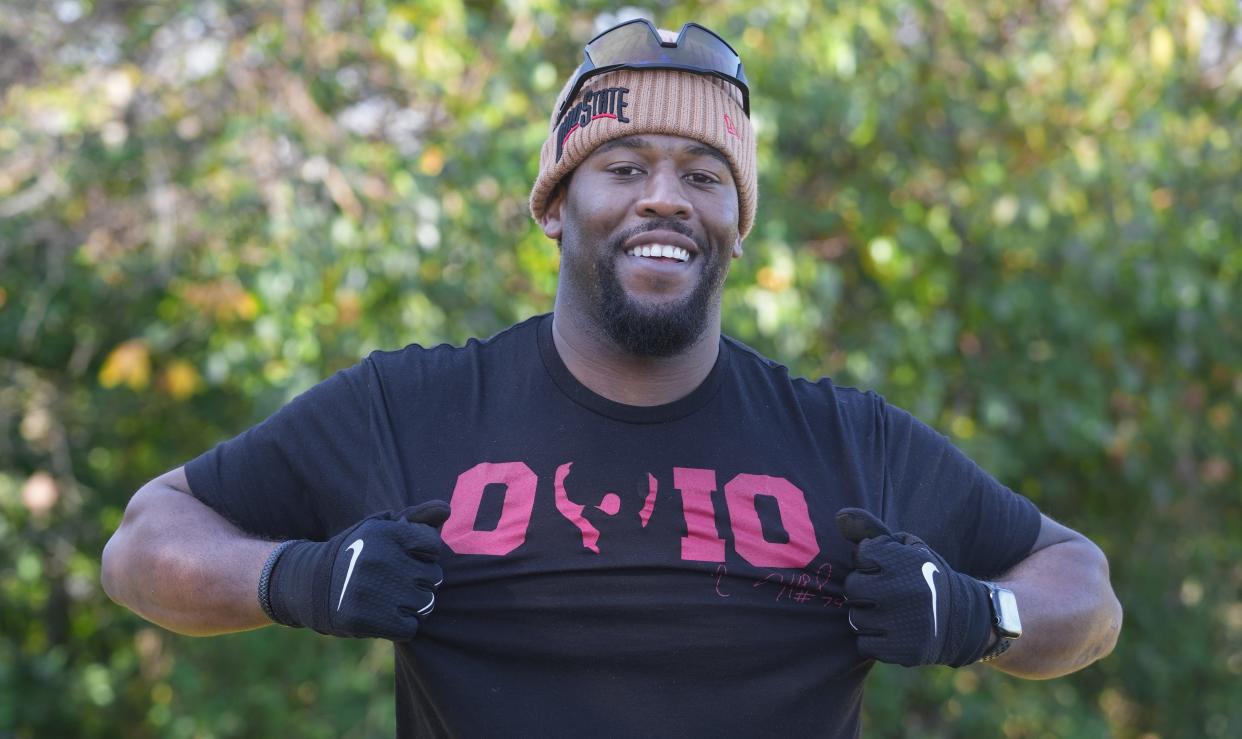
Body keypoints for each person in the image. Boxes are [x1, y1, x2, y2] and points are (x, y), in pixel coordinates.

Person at [101, 19, 1122, 737]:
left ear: (737, 219)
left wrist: (982, 614)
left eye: (703, 174)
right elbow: (148, 540)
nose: (665, 199)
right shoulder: (411, 408)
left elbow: (1083, 586)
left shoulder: (847, 440)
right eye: (624, 167)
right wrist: (296, 579)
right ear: (556, 201)